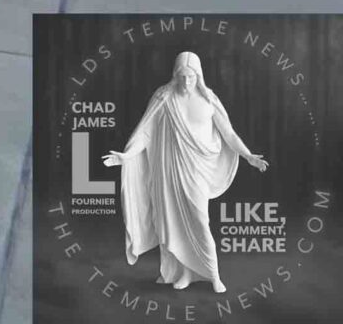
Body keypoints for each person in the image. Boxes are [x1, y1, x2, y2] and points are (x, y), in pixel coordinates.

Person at [103, 51, 268, 294]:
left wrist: (248, 155)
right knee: (173, 222)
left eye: (191, 77)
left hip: (198, 171)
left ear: (198, 76)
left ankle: (214, 275)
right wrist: (126, 156)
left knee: (200, 221)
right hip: (170, 171)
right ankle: (184, 273)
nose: (186, 82)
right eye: (182, 76)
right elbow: (145, 133)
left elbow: (229, 134)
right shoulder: (163, 98)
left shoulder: (209, 100)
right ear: (175, 75)